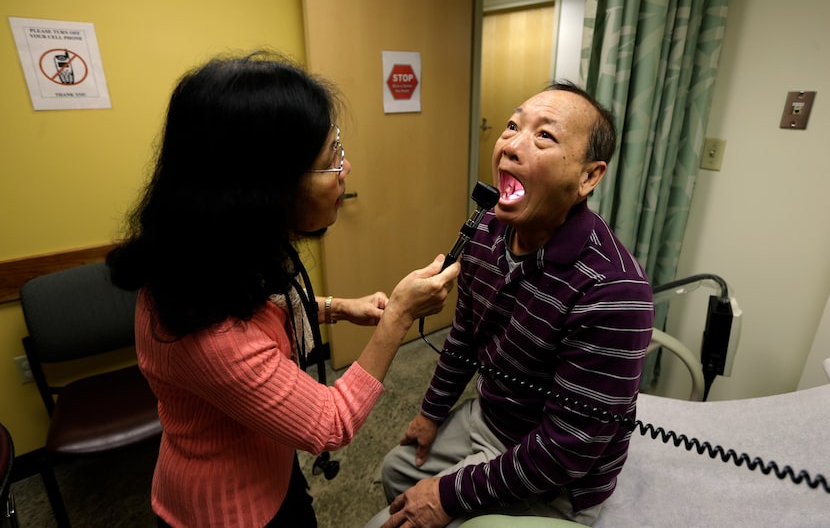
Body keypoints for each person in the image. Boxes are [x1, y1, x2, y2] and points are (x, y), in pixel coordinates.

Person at [106, 50, 460, 528]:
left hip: (270, 461)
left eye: (337, 145)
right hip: (230, 510)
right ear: (262, 189)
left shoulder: (213, 253)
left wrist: (336, 308)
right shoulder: (205, 330)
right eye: (330, 157)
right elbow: (329, 422)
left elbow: (259, 307)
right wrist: (398, 316)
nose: (346, 168)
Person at [367, 81, 655, 528]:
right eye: (512, 126)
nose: (510, 145)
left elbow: (567, 451)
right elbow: (464, 335)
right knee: (394, 471)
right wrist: (431, 412)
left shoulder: (614, 291)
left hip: (554, 474)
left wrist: (448, 495)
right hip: (491, 417)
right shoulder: (486, 231)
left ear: (588, 176)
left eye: (544, 136)